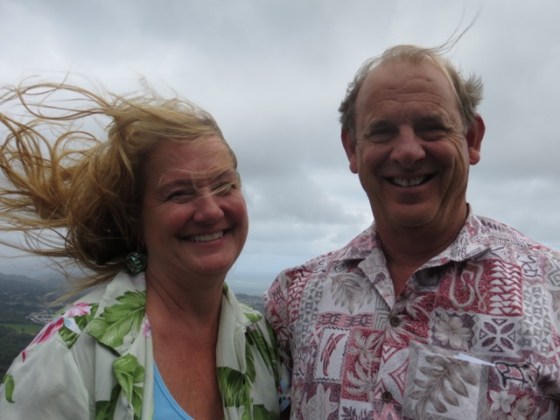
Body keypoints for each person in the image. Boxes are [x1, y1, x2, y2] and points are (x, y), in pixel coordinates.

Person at [265, 43, 560, 419]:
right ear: (351, 148)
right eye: (383, 132)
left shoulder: (551, 291)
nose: (407, 152)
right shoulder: (293, 298)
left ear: (472, 139)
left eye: (431, 127)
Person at [0, 80, 288, 419]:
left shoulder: (262, 340)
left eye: (225, 185)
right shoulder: (71, 350)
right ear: (135, 220)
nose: (211, 211)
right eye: (180, 193)